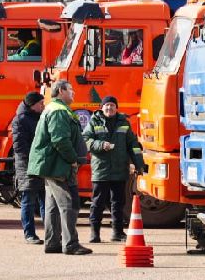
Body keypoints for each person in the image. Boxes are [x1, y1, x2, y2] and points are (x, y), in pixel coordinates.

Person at [26, 80, 92, 255]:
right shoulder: (58, 111)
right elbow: (60, 140)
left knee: (53, 206)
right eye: (71, 90)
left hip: (52, 164)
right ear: (61, 91)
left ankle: (53, 242)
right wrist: (72, 159)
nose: (74, 93)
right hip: (57, 165)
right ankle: (70, 244)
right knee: (67, 204)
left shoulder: (55, 109)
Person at [83, 95, 144, 243]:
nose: (109, 108)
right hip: (101, 170)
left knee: (118, 202)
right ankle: (94, 234)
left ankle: (117, 233)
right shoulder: (94, 121)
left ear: (117, 108)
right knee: (97, 202)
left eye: (112, 105)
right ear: (102, 108)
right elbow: (85, 140)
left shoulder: (124, 123)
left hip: (119, 169)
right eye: (107, 106)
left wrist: (139, 164)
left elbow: (133, 145)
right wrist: (100, 145)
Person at [12, 91, 46, 244]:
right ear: (32, 105)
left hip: (41, 165)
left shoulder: (39, 117)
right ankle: (30, 234)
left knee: (46, 202)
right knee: (29, 201)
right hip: (28, 167)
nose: (43, 106)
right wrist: (35, 160)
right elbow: (20, 147)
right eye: (40, 103)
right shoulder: (20, 120)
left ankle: (51, 233)